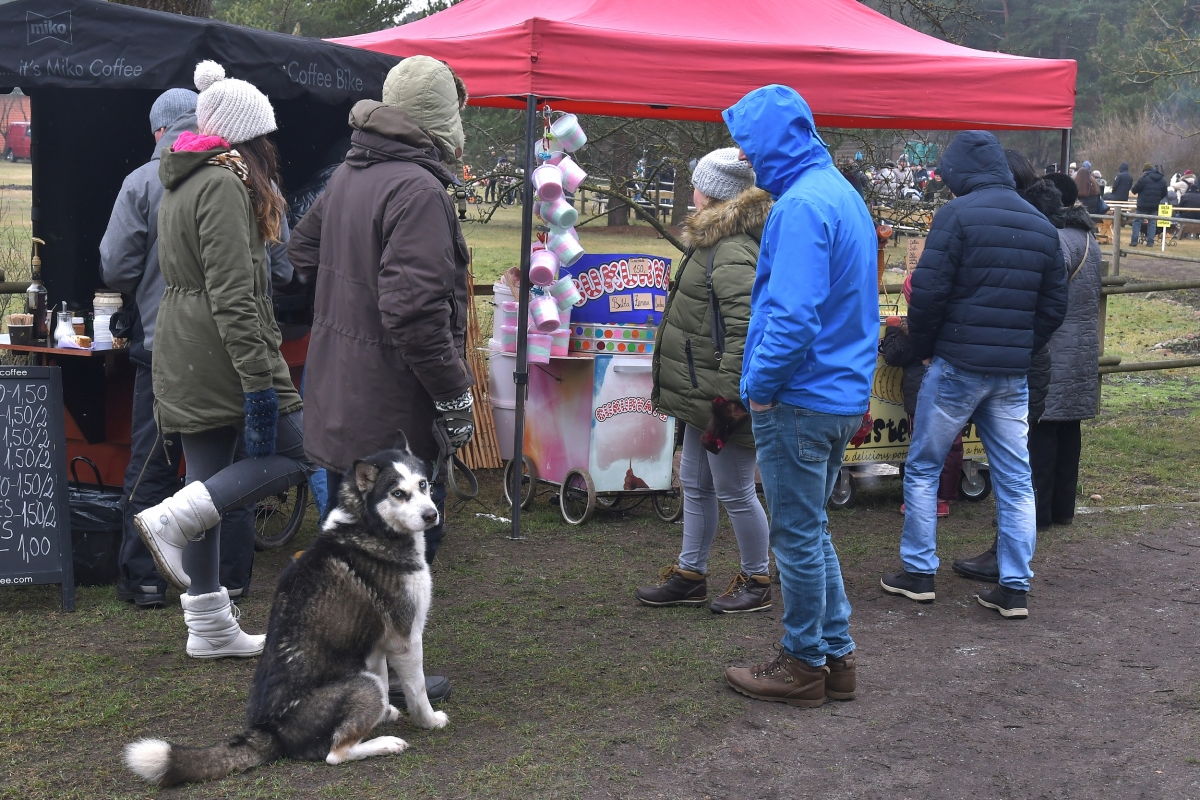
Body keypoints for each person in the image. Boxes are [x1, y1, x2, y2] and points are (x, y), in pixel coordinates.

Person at [288, 56, 474, 704]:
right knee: (399, 547)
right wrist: (454, 394)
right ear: (439, 118)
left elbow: (300, 254)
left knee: (354, 554)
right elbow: (415, 312)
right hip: (389, 405)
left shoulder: (352, 173)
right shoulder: (417, 190)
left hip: (341, 393)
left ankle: (360, 674)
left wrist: (346, 306)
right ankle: (360, 678)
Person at [133, 61, 313, 659]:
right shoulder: (224, 185)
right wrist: (260, 382)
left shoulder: (184, 177)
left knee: (207, 481)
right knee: (305, 451)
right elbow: (234, 296)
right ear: (247, 136)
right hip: (220, 349)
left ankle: (208, 627)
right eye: (265, 136)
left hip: (186, 345)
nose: (271, 148)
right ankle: (172, 520)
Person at [720, 85, 878, 707]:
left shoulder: (801, 207)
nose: (745, 158)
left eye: (749, 144)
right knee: (812, 530)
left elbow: (791, 317)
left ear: (774, 142)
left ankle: (803, 663)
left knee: (796, 537)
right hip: (835, 393)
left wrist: (758, 389)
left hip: (800, 397)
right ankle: (836, 657)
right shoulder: (838, 195)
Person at [881, 131, 1067, 620]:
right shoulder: (1041, 224)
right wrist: (1021, 348)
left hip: (956, 366)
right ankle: (1014, 586)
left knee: (924, 467)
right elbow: (1054, 307)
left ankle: (919, 572)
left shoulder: (955, 216)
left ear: (961, 173)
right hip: (1011, 374)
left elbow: (929, 293)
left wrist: (926, 349)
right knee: (1016, 479)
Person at [100, 89, 258, 608]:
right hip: (233, 347)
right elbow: (276, 266)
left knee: (154, 462)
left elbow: (115, 267)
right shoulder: (243, 175)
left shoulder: (143, 181)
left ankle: (145, 580)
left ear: (157, 131)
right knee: (230, 465)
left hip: (162, 346)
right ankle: (229, 577)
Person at [638, 148, 774, 613]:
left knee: (735, 489)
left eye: (697, 183)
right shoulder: (713, 238)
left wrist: (728, 404)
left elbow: (746, 329)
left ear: (711, 192)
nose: (692, 190)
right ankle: (690, 574)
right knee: (695, 485)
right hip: (704, 395)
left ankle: (758, 579)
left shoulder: (731, 247)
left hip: (724, 399)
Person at [1130, 162, 1168, 246]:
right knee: (1152, 223)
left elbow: (1134, 190)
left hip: (1142, 205)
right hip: (1154, 205)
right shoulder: (1162, 179)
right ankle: (1150, 242)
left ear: (1145, 170)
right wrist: (1157, 199)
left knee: (1137, 222)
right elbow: (1164, 193)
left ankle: (1134, 241)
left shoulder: (1144, 179)